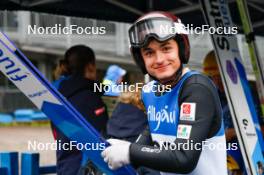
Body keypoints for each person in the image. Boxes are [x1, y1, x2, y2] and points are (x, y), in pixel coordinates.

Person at [101, 11, 227, 175]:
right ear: (142, 60)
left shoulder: (196, 87)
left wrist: (130, 152)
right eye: (149, 53)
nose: (159, 59)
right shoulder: (149, 92)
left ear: (181, 50)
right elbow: (149, 138)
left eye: (166, 48)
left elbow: (184, 157)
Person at [55, 45, 109, 175]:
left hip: (64, 166)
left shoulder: (57, 96)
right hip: (87, 169)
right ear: (90, 66)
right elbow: (102, 139)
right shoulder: (90, 98)